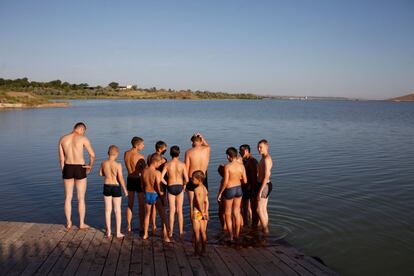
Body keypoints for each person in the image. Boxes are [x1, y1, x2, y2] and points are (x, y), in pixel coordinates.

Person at [58, 122, 95, 230]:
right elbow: (92, 155)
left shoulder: (63, 139)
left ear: (74, 128)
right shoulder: (83, 139)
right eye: (84, 131)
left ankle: (69, 223)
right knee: (81, 198)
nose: (83, 133)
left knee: (68, 197)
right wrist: (89, 166)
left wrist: (63, 171)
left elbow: (61, 159)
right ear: (82, 129)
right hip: (80, 168)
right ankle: (81, 223)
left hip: (68, 167)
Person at [217, 147, 247, 241]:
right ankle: (237, 235)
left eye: (227, 155)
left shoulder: (227, 166)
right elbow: (245, 180)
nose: (227, 157)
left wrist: (220, 193)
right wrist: (238, 182)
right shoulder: (241, 166)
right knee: (237, 212)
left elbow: (225, 182)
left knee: (227, 214)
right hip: (238, 189)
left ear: (229, 156)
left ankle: (231, 237)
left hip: (229, 189)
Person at [99, 145, 128, 238]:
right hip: (115, 187)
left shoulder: (103, 162)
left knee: (107, 210)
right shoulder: (118, 165)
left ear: (108, 153)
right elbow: (120, 178)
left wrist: (106, 173)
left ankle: (108, 232)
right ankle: (118, 232)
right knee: (117, 210)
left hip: (106, 186)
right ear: (117, 154)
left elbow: (100, 173)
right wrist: (125, 189)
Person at [161, 146, 189, 240]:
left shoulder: (167, 164)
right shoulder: (182, 164)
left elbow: (161, 178)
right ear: (179, 153)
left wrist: (167, 184)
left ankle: (171, 232)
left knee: (172, 211)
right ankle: (181, 231)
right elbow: (187, 179)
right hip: (180, 187)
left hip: (171, 187)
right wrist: (184, 185)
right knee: (180, 211)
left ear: (170, 153)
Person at [141, 153, 170, 242]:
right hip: (155, 194)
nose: (160, 165)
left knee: (147, 214)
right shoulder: (157, 173)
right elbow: (157, 186)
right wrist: (161, 195)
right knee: (163, 216)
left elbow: (142, 184)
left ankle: (145, 234)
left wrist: (144, 193)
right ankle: (165, 236)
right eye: (159, 163)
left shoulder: (144, 171)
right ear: (155, 162)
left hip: (147, 193)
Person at [185, 133, 210, 220]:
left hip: (193, 179)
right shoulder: (207, 149)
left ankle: (196, 225)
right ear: (200, 141)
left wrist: (185, 183)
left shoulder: (189, 152)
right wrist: (202, 137)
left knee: (193, 204)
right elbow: (207, 145)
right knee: (204, 202)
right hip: (203, 179)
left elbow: (186, 169)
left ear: (193, 142)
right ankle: (204, 225)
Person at [124, 136, 146, 233]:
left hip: (129, 179)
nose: (143, 146)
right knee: (141, 205)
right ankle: (141, 226)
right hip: (138, 180)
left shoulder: (126, 153)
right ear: (137, 145)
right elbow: (144, 172)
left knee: (130, 204)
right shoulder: (140, 157)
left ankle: (128, 226)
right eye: (142, 144)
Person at [147, 140, 168, 229]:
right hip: (161, 184)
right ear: (160, 149)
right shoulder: (163, 160)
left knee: (153, 206)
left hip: (151, 183)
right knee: (162, 205)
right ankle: (164, 226)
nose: (165, 151)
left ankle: (154, 225)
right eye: (164, 149)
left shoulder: (149, 157)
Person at [239, 144, 259, 227]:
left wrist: (255, 189)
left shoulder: (253, 161)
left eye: (241, 151)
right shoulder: (244, 160)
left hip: (251, 187)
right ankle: (246, 224)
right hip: (245, 187)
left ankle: (255, 226)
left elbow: (255, 176)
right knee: (245, 207)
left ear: (246, 151)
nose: (239, 153)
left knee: (254, 208)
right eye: (239, 151)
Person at [256, 139, 273, 234]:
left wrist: (260, 190)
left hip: (264, 185)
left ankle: (265, 230)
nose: (259, 149)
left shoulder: (266, 159)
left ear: (266, 147)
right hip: (266, 185)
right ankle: (265, 229)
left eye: (261, 147)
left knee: (259, 210)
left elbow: (267, 175)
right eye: (258, 147)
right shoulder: (264, 157)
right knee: (263, 209)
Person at [191, 170, 208, 256]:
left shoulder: (196, 189)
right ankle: (204, 251)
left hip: (197, 212)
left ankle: (196, 252)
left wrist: (200, 212)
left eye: (193, 179)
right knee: (203, 232)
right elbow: (206, 201)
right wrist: (205, 212)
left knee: (197, 233)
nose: (191, 180)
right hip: (203, 212)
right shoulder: (205, 188)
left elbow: (197, 201)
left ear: (199, 180)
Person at [217, 164, 226, 231]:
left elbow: (221, 190)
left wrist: (219, 196)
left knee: (221, 213)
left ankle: (224, 227)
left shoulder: (223, 180)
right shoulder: (229, 178)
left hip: (224, 198)